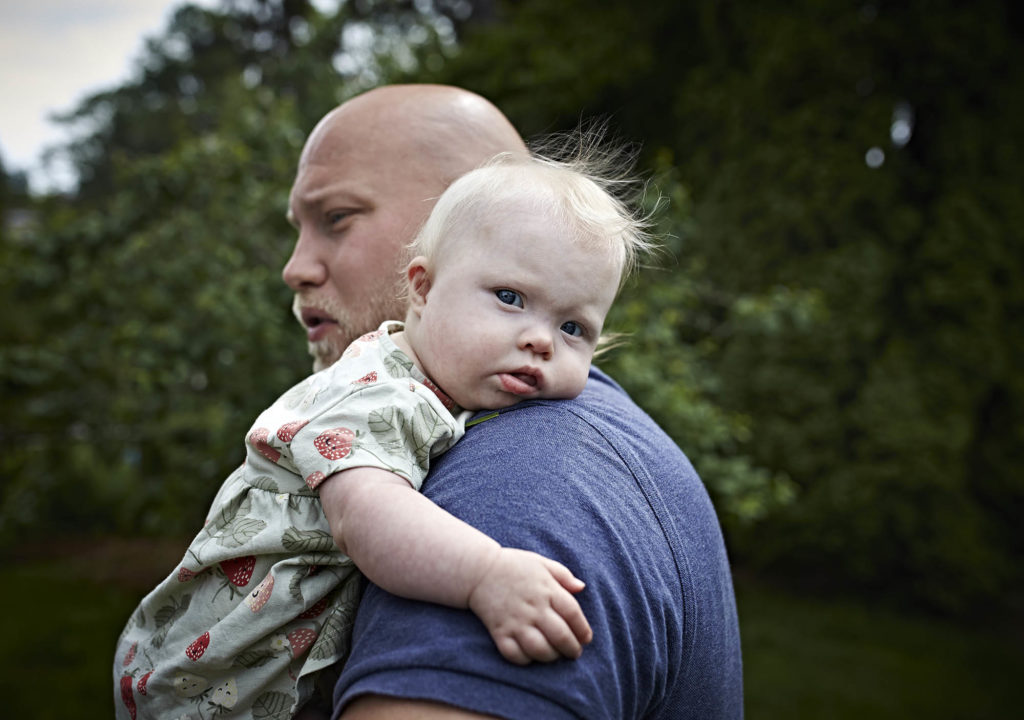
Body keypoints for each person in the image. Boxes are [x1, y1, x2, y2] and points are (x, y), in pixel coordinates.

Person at [113, 148, 648, 719]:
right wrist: (485, 574)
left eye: (573, 327)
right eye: (510, 298)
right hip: (208, 683)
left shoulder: (446, 382)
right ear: (422, 288)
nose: (541, 340)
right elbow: (367, 518)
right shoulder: (376, 391)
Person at [282, 86, 744, 720]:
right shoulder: (448, 417)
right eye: (510, 300)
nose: (295, 267)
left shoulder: (521, 486)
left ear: (455, 214)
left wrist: (483, 574)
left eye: (336, 217)